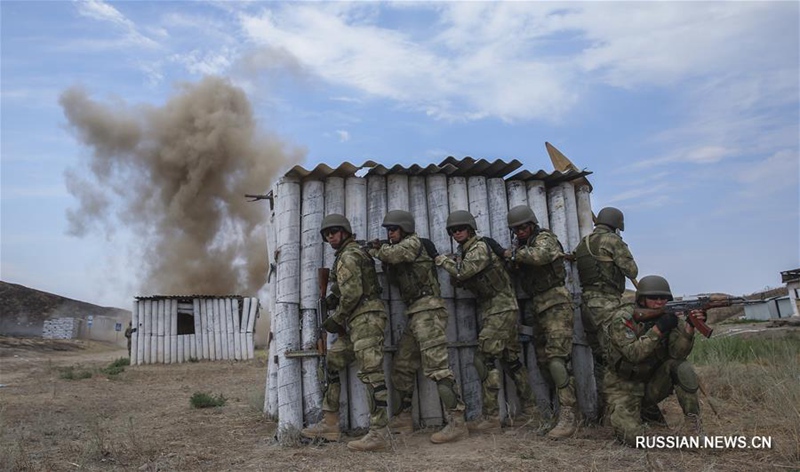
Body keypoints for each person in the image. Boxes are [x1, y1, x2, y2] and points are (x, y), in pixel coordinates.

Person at [367, 210, 469, 444]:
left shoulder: (412, 243)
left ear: (404, 228)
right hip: (415, 313)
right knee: (402, 366)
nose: (389, 234)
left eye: (393, 230)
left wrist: (375, 250)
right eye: (387, 231)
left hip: (429, 311)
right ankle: (404, 417)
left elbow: (397, 254)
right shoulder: (397, 249)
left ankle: (457, 422)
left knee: (437, 368)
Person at [435, 210, 535, 432]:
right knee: (511, 360)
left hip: (500, 308)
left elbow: (464, 272)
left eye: (460, 228)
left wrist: (443, 261)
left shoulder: (479, 247)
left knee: (484, 359)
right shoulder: (466, 251)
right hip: (495, 309)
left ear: (470, 229)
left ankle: (491, 418)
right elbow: (460, 281)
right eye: (452, 230)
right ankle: (532, 411)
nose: (456, 233)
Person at [300, 214, 391, 452]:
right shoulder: (346, 255)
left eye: (334, 232)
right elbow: (346, 292)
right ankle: (331, 424)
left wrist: (336, 318)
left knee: (372, 374)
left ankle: (379, 433)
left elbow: (353, 294)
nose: (330, 236)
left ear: (345, 232)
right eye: (326, 234)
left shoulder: (349, 256)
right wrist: (332, 299)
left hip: (367, 319)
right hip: (357, 322)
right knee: (332, 361)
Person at [604, 275, 705, 445]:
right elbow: (632, 354)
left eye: (664, 298)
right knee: (634, 440)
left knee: (682, 367)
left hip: (651, 384)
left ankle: (693, 427)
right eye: (654, 298)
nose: (659, 302)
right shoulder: (624, 318)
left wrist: (689, 327)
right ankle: (631, 413)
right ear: (642, 299)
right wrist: (658, 330)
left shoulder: (669, 317)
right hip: (623, 386)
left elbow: (678, 354)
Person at [504, 205, 577, 439]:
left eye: (523, 227)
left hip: (555, 302)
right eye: (516, 229)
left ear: (532, 225)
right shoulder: (521, 246)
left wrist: (513, 254)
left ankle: (569, 415)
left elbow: (541, 256)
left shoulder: (545, 238)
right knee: (545, 362)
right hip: (538, 306)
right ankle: (557, 411)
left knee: (557, 359)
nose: (520, 232)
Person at [574, 206, 638, 420]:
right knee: (615, 357)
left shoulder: (583, 243)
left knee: (599, 359)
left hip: (586, 306)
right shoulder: (613, 241)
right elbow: (632, 271)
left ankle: (601, 411)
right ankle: (618, 412)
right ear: (616, 224)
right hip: (607, 304)